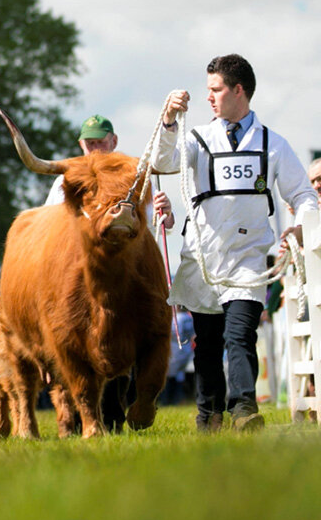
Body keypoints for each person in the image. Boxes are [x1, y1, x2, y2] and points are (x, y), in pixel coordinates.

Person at [156, 54, 317, 432]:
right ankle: (208, 414)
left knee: (240, 333)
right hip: (204, 256)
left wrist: (300, 227)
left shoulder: (272, 144)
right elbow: (163, 163)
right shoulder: (196, 138)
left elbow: (303, 194)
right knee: (209, 344)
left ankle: (244, 409)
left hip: (248, 256)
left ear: (238, 90)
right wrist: (167, 121)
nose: (208, 97)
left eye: (216, 89)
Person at [46, 113, 175, 228]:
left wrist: (166, 213)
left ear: (114, 141)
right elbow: (48, 224)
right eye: (90, 143)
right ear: (81, 144)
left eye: (101, 142)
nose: (96, 149)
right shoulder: (65, 181)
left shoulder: (135, 178)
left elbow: (164, 224)